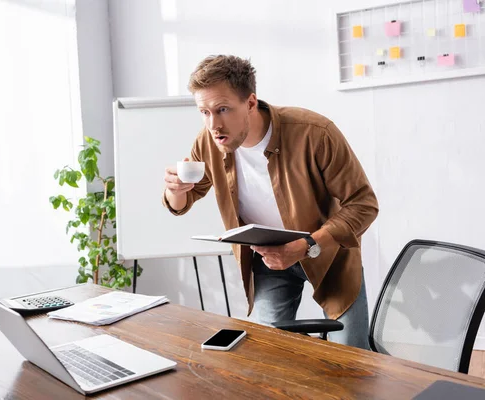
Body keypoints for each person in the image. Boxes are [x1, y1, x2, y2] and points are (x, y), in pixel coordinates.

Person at [162, 55, 378, 349]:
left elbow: (364, 204)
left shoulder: (314, 133)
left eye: (223, 109)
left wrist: (307, 245)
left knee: (352, 360)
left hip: (327, 254)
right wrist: (176, 189)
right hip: (268, 259)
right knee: (266, 352)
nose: (213, 124)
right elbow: (182, 201)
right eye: (204, 112)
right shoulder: (210, 141)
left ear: (250, 103)